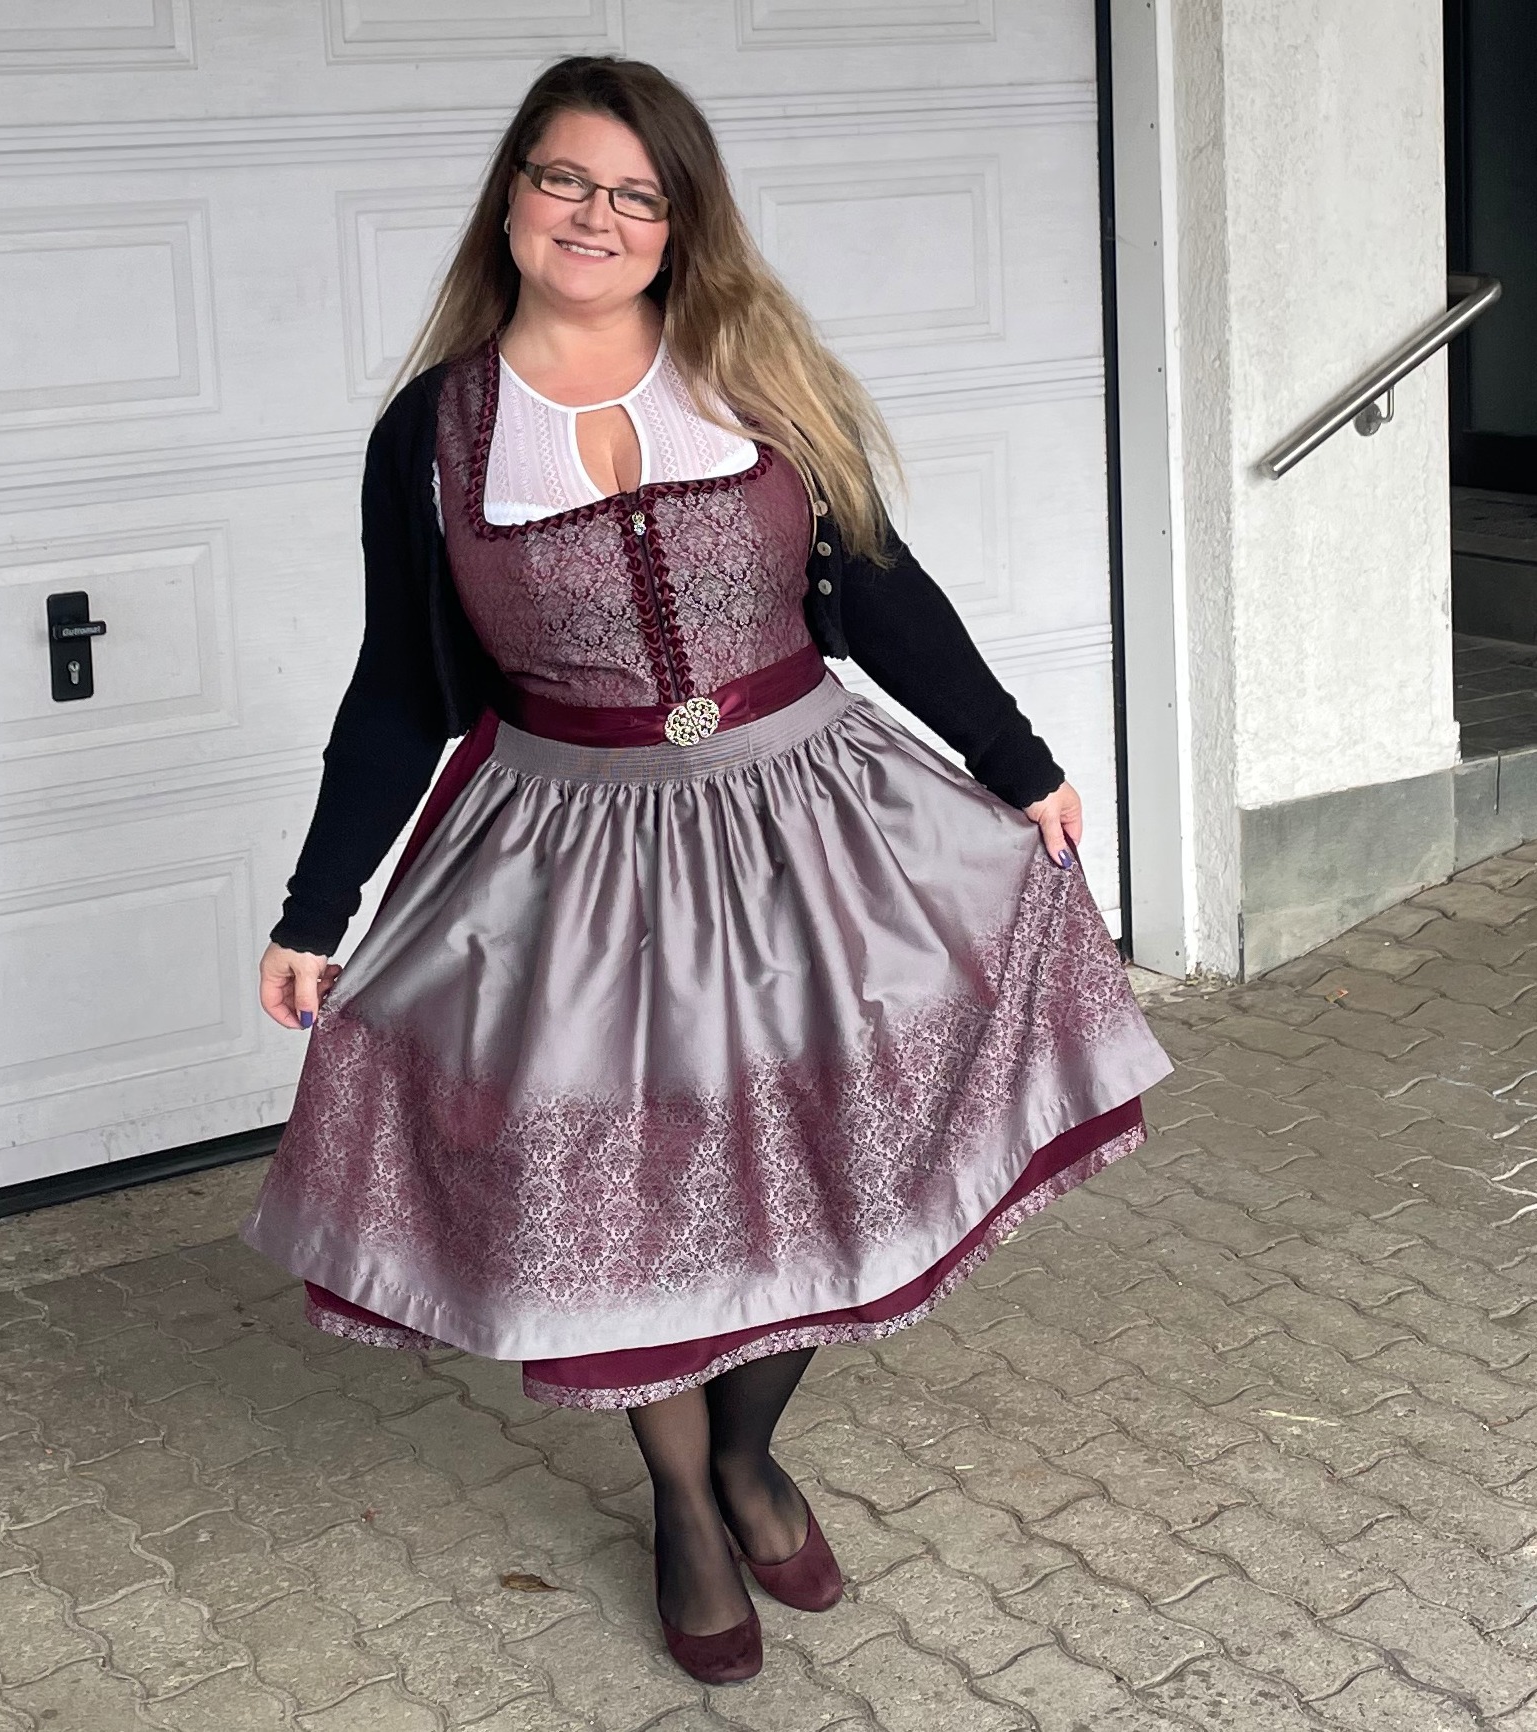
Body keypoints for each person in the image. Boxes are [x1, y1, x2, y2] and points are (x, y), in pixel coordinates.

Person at [241, 54, 1171, 1686]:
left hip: (810, 820)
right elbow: (399, 682)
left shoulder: (750, 372)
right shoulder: (435, 433)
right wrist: (318, 907)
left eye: (635, 194)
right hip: (572, 859)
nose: (593, 217)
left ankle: (746, 1454)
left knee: (820, 1154)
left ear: (679, 224)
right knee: (636, 1195)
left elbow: (879, 588)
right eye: (563, 179)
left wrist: (1017, 761)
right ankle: (681, 1497)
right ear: (511, 195)